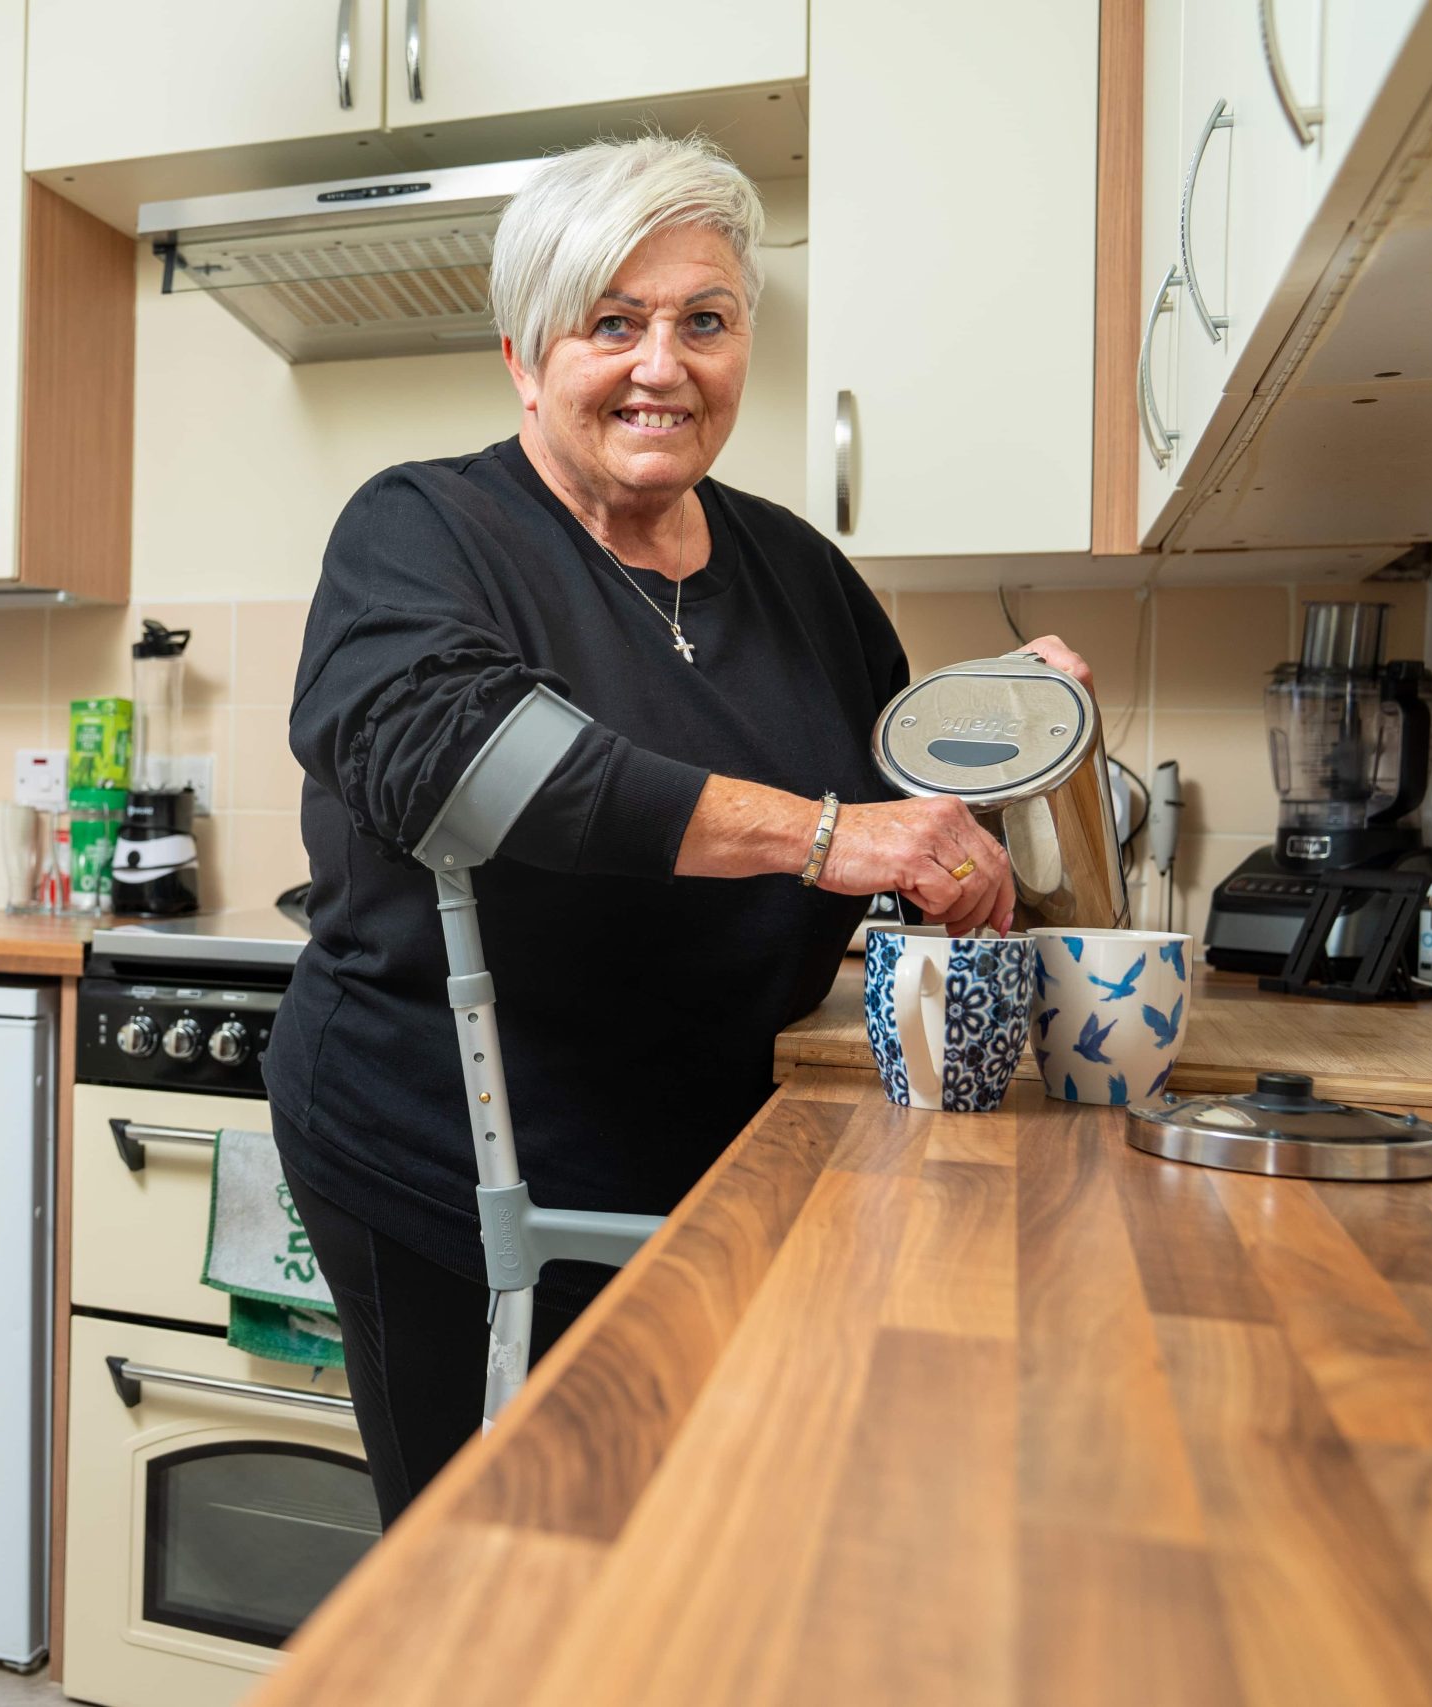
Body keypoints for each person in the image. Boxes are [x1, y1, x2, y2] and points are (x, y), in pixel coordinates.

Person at [265, 137, 1093, 1526]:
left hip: (720, 1162)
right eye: (613, 323)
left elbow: (896, 802)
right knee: (495, 1566)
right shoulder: (425, 530)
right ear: (529, 359)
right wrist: (830, 838)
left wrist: (1014, 739)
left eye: (703, 322)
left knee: (669, 1552)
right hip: (455, 1165)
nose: (664, 364)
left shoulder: (801, 574)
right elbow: (469, 759)